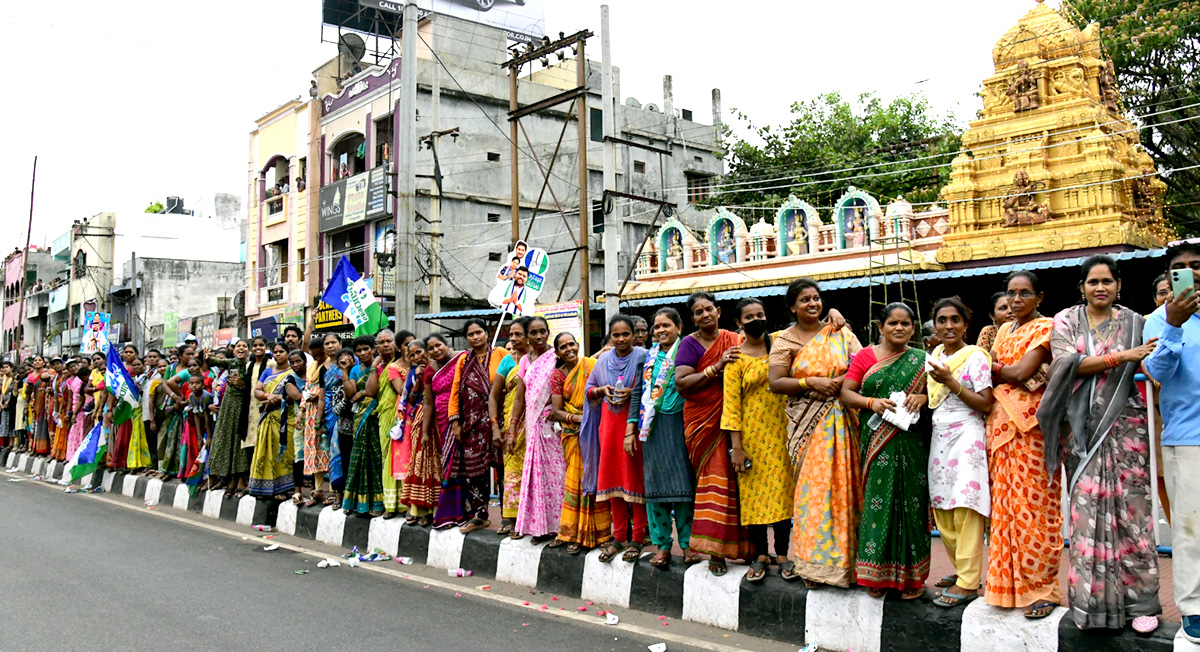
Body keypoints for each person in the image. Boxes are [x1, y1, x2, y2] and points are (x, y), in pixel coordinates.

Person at [1039, 255, 1161, 632]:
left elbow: (1154, 362)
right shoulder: (1065, 321)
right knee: (1087, 516)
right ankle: (1092, 605)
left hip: (1126, 430)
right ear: (1082, 287)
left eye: (1107, 281)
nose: (1100, 288)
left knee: (1133, 515)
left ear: (1119, 284)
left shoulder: (1136, 322)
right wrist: (1122, 356)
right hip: (1082, 431)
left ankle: (1142, 604)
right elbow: (1064, 364)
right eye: (1093, 282)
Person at [768, 278, 860, 587]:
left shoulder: (839, 331)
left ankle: (848, 565)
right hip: (806, 426)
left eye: (816, 298)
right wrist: (811, 383)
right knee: (815, 495)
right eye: (805, 300)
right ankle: (814, 567)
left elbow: (864, 367)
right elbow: (776, 382)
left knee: (845, 491)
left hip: (843, 421)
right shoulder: (784, 341)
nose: (812, 304)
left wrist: (841, 381)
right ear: (792, 307)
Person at [840, 302, 930, 600]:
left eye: (906, 324)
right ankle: (875, 575)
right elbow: (846, 392)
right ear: (881, 327)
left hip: (912, 441)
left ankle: (912, 578)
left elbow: (940, 391)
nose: (899, 328)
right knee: (878, 501)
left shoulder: (922, 359)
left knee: (911, 503)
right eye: (893, 323)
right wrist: (871, 403)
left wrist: (923, 396)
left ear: (913, 328)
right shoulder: (865, 356)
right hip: (877, 438)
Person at [985, 270, 1060, 619]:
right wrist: (1005, 369)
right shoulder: (1004, 329)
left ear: (1039, 297)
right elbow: (1011, 371)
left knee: (1035, 508)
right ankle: (1010, 588)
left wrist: (995, 366)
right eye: (1011, 294)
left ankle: (1043, 588)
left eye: (1024, 293)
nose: (1016, 300)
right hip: (1001, 426)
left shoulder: (1046, 328)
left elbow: (1020, 373)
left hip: (1031, 427)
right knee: (1006, 509)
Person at [1144, 239, 1200, 642]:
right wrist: (1175, 325)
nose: (1190, 271)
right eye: (1180, 267)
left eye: (1197, 264)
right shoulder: (1158, 320)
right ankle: (1194, 609)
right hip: (1187, 436)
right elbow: (1155, 369)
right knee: (1189, 528)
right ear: (1169, 278)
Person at [675, 292, 752, 575]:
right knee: (715, 482)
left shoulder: (735, 339)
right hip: (703, 423)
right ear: (692, 318)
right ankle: (715, 552)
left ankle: (746, 549)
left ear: (718, 311)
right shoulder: (688, 344)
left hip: (738, 419)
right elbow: (682, 383)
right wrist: (715, 368)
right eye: (698, 312)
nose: (705, 315)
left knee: (741, 482)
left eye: (709, 309)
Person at [924, 297, 993, 608]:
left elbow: (985, 403)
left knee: (965, 506)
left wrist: (951, 381)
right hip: (940, 437)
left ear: (966, 324)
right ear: (935, 325)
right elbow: (929, 394)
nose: (948, 326)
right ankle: (961, 570)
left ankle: (968, 582)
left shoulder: (975, 357)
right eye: (942, 320)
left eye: (955, 320)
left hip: (968, 436)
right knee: (942, 506)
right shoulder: (935, 354)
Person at [722, 298, 793, 583]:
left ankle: (784, 554)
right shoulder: (735, 359)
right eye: (749, 317)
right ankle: (761, 555)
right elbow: (731, 406)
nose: (756, 320)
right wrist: (736, 448)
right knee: (753, 499)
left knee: (782, 496)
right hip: (750, 437)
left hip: (782, 434)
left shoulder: (780, 345)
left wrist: (834, 313)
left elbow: (811, 331)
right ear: (738, 323)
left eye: (760, 315)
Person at [629, 308, 694, 567]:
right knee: (656, 490)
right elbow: (637, 394)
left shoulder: (688, 351)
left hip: (680, 424)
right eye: (656, 327)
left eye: (666, 325)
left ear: (679, 327)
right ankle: (663, 546)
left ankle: (689, 545)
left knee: (684, 489)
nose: (660, 331)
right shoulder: (647, 358)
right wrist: (630, 428)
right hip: (652, 429)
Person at [589, 315, 649, 563]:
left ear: (634, 335)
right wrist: (603, 390)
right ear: (610, 336)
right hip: (609, 426)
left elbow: (652, 386)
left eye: (626, 334)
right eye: (616, 335)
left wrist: (633, 391)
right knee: (613, 478)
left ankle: (638, 537)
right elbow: (589, 389)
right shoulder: (603, 360)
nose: (622, 339)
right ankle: (619, 535)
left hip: (633, 424)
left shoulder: (644, 356)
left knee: (635, 479)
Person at [442, 319, 509, 533]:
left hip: (498, 420)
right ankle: (480, 515)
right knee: (475, 473)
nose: (475, 337)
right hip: (472, 424)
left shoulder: (500, 354)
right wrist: (455, 422)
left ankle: (508, 517)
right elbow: (455, 391)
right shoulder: (463, 360)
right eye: (471, 334)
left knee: (503, 469)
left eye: (479, 332)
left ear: (487, 333)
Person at [550, 331, 612, 554]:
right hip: (574, 434)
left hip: (595, 432)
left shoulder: (592, 365)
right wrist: (579, 419)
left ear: (578, 345)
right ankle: (572, 532)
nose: (569, 349)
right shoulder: (557, 376)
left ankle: (602, 533)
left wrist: (589, 420)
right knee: (575, 482)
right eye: (563, 347)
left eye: (572, 344)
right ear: (557, 352)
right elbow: (556, 411)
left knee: (596, 478)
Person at [513, 317, 565, 541]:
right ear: (527, 336)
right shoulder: (525, 360)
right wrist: (512, 426)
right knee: (536, 475)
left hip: (552, 424)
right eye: (533, 333)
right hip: (532, 424)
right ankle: (540, 527)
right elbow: (519, 396)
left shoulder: (557, 357)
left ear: (548, 332)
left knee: (557, 473)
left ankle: (562, 526)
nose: (539, 336)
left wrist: (557, 410)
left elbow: (566, 384)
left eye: (543, 331)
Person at [490, 317, 530, 536]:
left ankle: (533, 519)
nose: (512, 339)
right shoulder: (507, 361)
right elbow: (493, 397)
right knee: (513, 473)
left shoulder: (544, 358)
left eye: (517, 334)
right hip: (512, 426)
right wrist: (496, 427)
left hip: (538, 426)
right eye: (510, 334)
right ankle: (510, 518)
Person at [249, 345, 302, 501]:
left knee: (286, 453)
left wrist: (276, 398)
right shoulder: (267, 372)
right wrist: (267, 395)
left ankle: (284, 488)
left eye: (281, 352)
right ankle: (263, 488)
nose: (278, 354)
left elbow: (297, 394)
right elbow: (257, 391)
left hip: (287, 416)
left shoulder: (293, 373)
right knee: (266, 452)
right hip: (268, 416)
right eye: (276, 352)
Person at [342, 336, 385, 517]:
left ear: (373, 349)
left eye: (366, 349)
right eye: (358, 351)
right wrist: (344, 371)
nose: (362, 353)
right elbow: (350, 393)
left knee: (375, 459)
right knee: (358, 458)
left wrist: (363, 392)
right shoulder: (354, 370)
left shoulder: (381, 366)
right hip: (359, 418)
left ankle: (377, 503)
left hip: (375, 416)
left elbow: (372, 391)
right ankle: (356, 503)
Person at [425, 333, 464, 528]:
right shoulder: (428, 371)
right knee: (448, 465)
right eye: (431, 348)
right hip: (442, 421)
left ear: (446, 344)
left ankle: (468, 511)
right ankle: (450, 513)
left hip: (463, 417)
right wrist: (425, 431)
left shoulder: (462, 359)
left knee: (465, 464)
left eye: (438, 345)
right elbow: (428, 403)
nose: (435, 350)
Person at [205, 340, 253, 496]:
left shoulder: (251, 365)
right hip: (228, 405)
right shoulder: (231, 362)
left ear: (248, 350)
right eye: (238, 346)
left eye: (244, 346)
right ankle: (227, 479)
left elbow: (253, 387)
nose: (241, 348)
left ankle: (240, 480)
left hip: (243, 405)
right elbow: (213, 361)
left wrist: (241, 384)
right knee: (225, 439)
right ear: (234, 350)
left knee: (239, 441)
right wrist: (207, 356)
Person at [397, 341, 432, 524]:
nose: (416, 357)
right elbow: (411, 398)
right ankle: (421, 510)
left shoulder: (437, 367)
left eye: (419, 352)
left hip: (439, 418)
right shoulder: (413, 373)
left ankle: (436, 511)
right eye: (412, 355)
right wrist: (418, 380)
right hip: (420, 419)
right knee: (420, 463)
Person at [374, 330, 405, 518]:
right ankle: (390, 503)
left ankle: (404, 503)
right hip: (385, 416)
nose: (385, 345)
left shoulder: (401, 365)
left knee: (401, 458)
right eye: (382, 342)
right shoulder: (379, 368)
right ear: (377, 346)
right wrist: (374, 366)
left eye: (389, 341)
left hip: (400, 416)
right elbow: (371, 391)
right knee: (387, 458)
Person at [300, 336, 333, 507]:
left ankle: (333, 490)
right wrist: (301, 412)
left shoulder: (330, 365)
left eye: (321, 355)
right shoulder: (312, 366)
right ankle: (319, 489)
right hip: (310, 415)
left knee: (328, 453)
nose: (319, 358)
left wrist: (316, 396)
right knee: (314, 452)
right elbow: (306, 388)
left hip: (327, 413)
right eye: (315, 355)